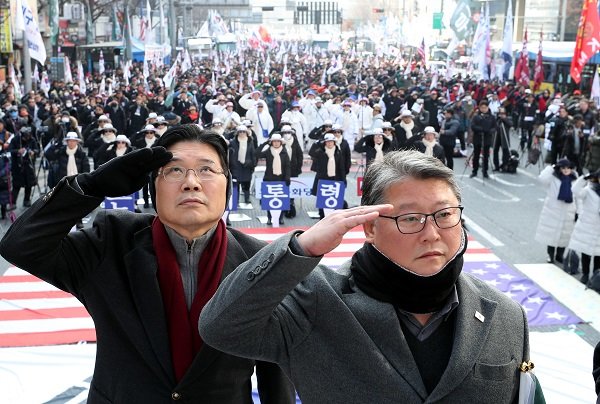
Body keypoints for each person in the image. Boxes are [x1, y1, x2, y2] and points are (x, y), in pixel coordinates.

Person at [199, 149, 532, 403]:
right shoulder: (316, 302)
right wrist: (301, 249)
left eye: (444, 215)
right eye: (411, 219)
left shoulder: (506, 315)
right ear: (370, 227)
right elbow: (221, 327)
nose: (431, 233)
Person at [0, 125, 294, 403]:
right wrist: (90, 186)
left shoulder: (262, 263)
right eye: (175, 170)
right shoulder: (110, 242)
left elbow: (277, 374)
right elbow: (21, 246)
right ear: (153, 187)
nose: (191, 183)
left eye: (206, 170)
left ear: (227, 185)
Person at [534, 158, 578, 264]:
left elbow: (578, 197)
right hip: (553, 210)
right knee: (551, 234)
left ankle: (559, 255)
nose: (566, 170)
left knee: (564, 235)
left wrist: (578, 211)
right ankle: (550, 255)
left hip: (569, 210)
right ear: (559, 168)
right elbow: (542, 179)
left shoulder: (574, 179)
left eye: (568, 168)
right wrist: (551, 168)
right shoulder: (553, 177)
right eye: (563, 168)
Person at [566, 169, 600, 284]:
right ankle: (585, 273)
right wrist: (584, 178)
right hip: (588, 225)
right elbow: (575, 190)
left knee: (598, 254)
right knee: (586, 251)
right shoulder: (589, 190)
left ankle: (596, 276)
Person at [469, 101, 495, 179]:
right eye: (482, 108)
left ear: (487, 108)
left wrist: (490, 131)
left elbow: (494, 127)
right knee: (476, 155)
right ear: (480, 108)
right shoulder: (476, 117)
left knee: (486, 156)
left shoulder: (491, 117)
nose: (483, 109)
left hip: (487, 138)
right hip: (478, 138)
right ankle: (474, 171)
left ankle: (485, 171)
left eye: (485, 108)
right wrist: (481, 129)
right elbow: (473, 126)